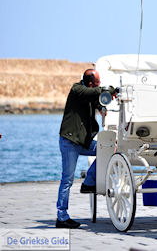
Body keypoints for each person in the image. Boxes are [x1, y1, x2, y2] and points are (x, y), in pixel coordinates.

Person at [56, 69, 117, 229]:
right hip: (70, 141)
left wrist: (108, 100)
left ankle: (89, 182)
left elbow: (100, 101)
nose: (99, 84)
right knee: (67, 180)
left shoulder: (90, 93)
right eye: (97, 82)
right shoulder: (77, 90)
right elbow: (96, 92)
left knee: (108, 150)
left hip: (83, 141)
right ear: (91, 83)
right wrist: (107, 89)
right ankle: (61, 217)